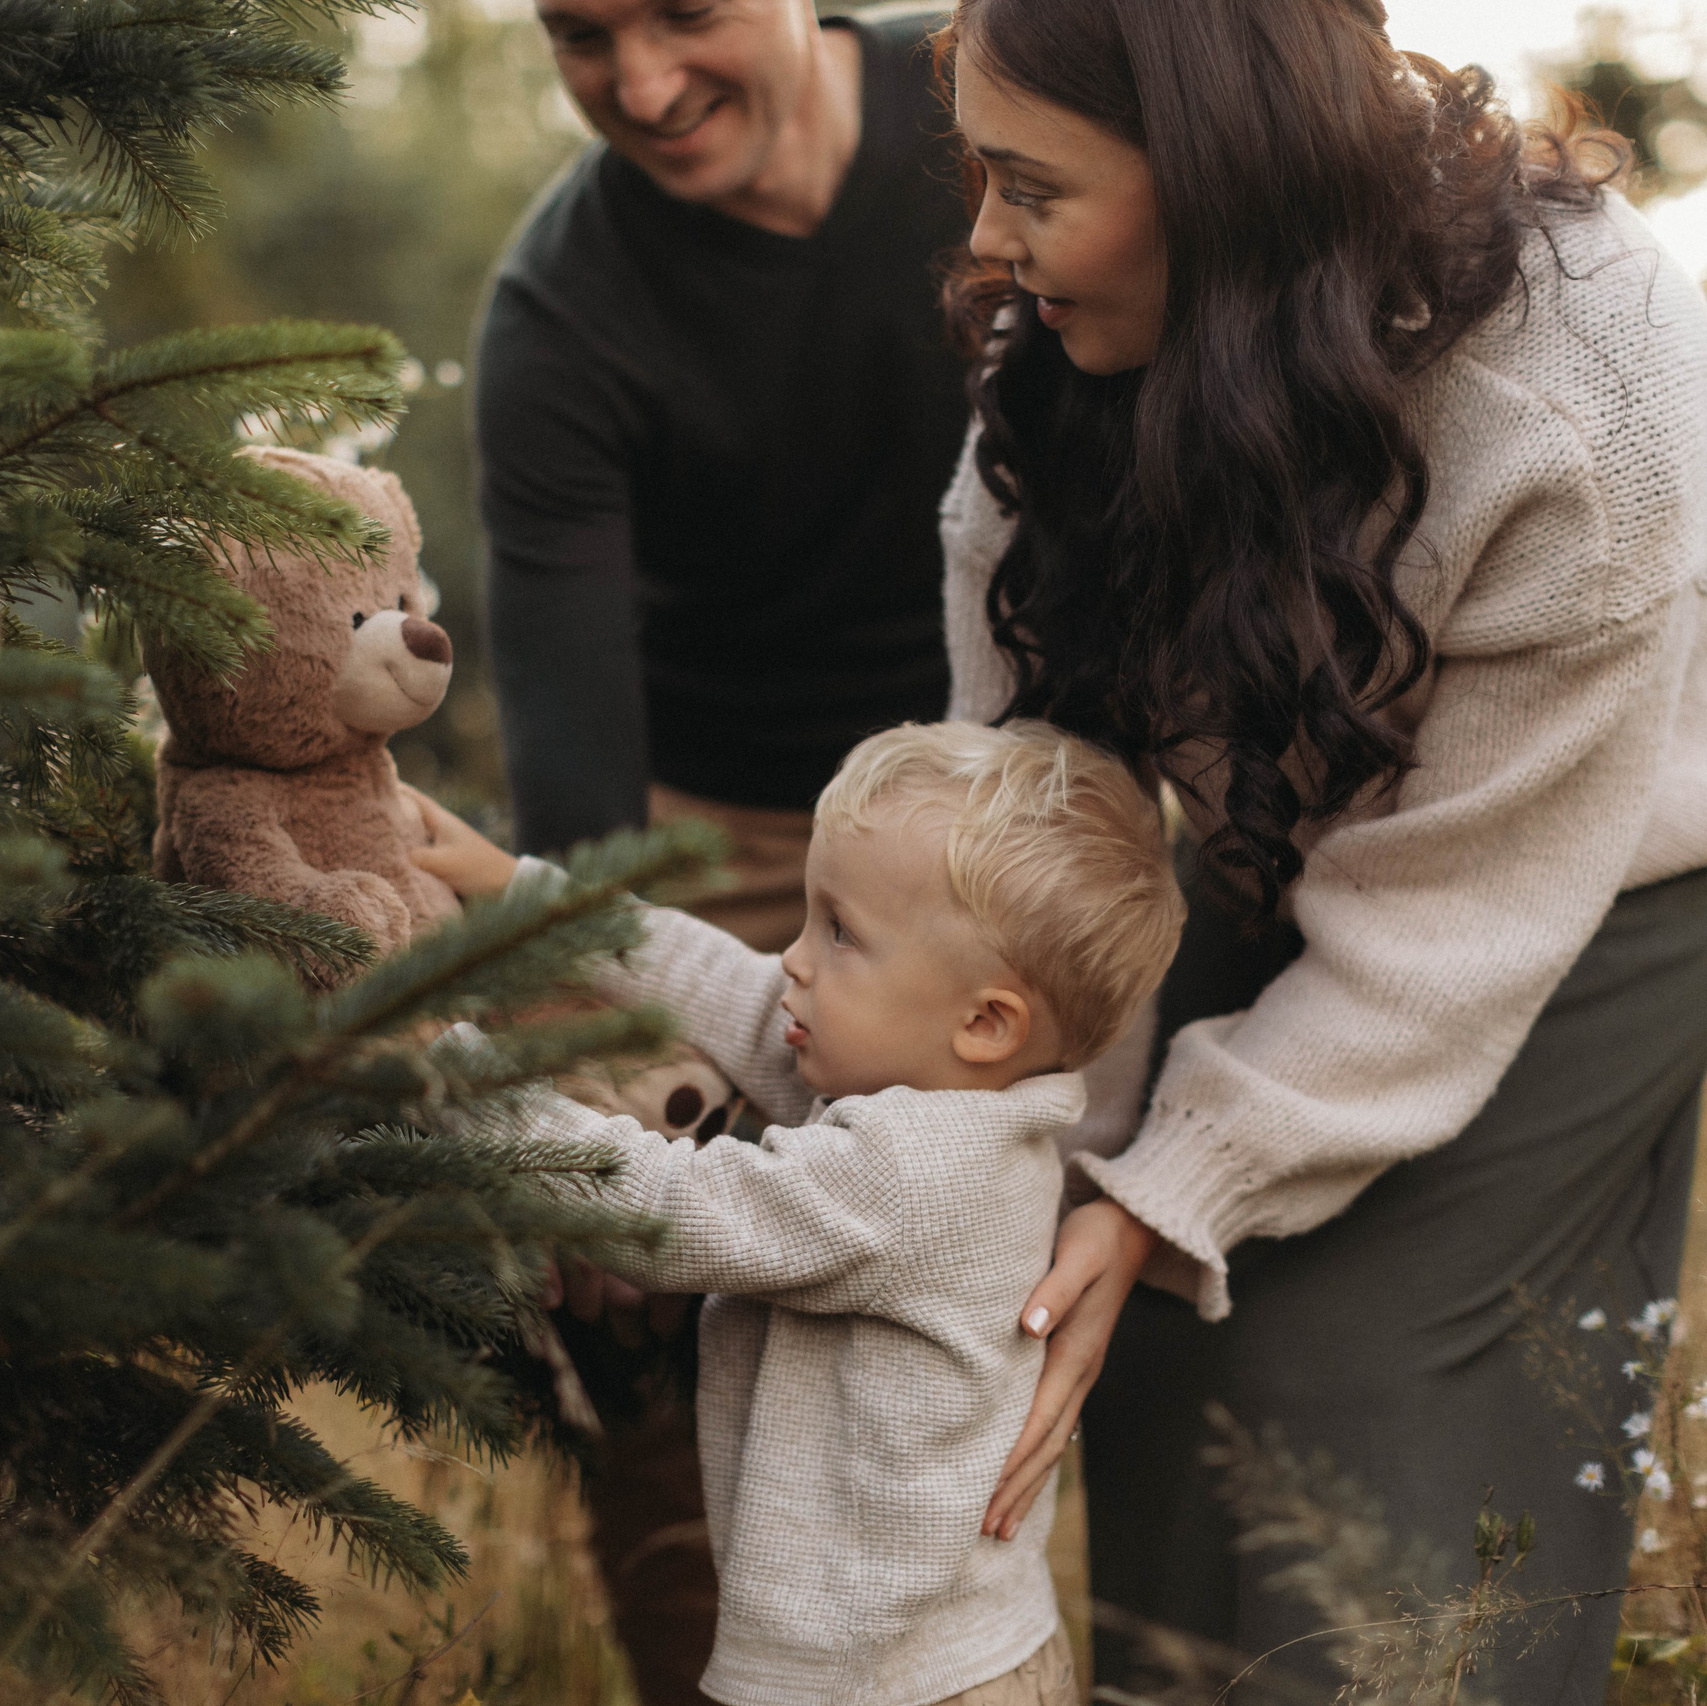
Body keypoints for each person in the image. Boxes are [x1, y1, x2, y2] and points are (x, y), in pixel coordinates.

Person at [928, 2, 1707, 1702]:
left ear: (1219, 178)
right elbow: (1042, 814)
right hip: (1269, 833)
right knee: (1130, 1347)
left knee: (1326, 1375)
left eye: (1029, 184)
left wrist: (1173, 1187)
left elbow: (1458, 912)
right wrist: (1049, 1162)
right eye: (979, 173)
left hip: (1588, 879)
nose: (985, 236)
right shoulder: (1059, 351)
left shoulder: (1584, 385)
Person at [416, 720, 1186, 1706]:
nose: (792, 957)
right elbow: (724, 985)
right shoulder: (947, 1092)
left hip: (901, 1686)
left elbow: (663, 1206)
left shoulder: (911, 1170)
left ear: (984, 1021)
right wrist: (521, 895)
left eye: (840, 931)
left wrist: (452, 1067)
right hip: (918, 1660)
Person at [475, 0, 970, 952]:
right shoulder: (556, 319)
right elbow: (571, 760)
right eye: (583, 38)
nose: (645, 90)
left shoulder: (993, 100)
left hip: (1037, 780)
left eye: (687, 13)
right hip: (734, 847)